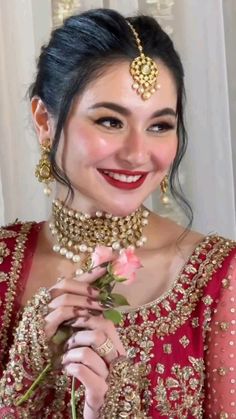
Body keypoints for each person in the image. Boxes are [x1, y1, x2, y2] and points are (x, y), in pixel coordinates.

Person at [0, 7, 235, 419]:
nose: (136, 154)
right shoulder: (5, 263)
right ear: (44, 120)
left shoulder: (218, 279)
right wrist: (27, 367)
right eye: (110, 121)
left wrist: (113, 407)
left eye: (159, 126)